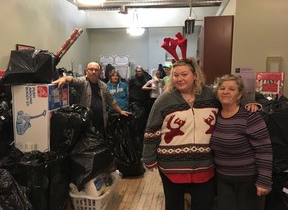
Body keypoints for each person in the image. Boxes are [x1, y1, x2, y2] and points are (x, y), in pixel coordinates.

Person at [141, 58, 259, 210]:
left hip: (205, 165)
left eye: (184, 74)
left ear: (195, 75)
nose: (179, 78)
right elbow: (152, 130)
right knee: (173, 205)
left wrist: (250, 101)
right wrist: (149, 157)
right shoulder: (164, 99)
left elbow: (232, 93)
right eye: (175, 75)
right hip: (171, 166)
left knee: (203, 205)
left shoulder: (211, 94)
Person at [210, 74, 273, 210]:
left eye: (232, 89)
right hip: (223, 179)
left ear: (239, 95)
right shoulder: (215, 116)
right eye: (222, 88)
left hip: (248, 179)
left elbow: (264, 150)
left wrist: (264, 180)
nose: (226, 91)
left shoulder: (250, 116)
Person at [52, 61, 129, 136]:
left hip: (100, 122)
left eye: (96, 70)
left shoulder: (103, 85)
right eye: (91, 69)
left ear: (99, 72)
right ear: (86, 71)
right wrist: (64, 79)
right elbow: (72, 79)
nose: (93, 71)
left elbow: (111, 100)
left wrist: (120, 111)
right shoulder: (82, 82)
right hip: (86, 123)